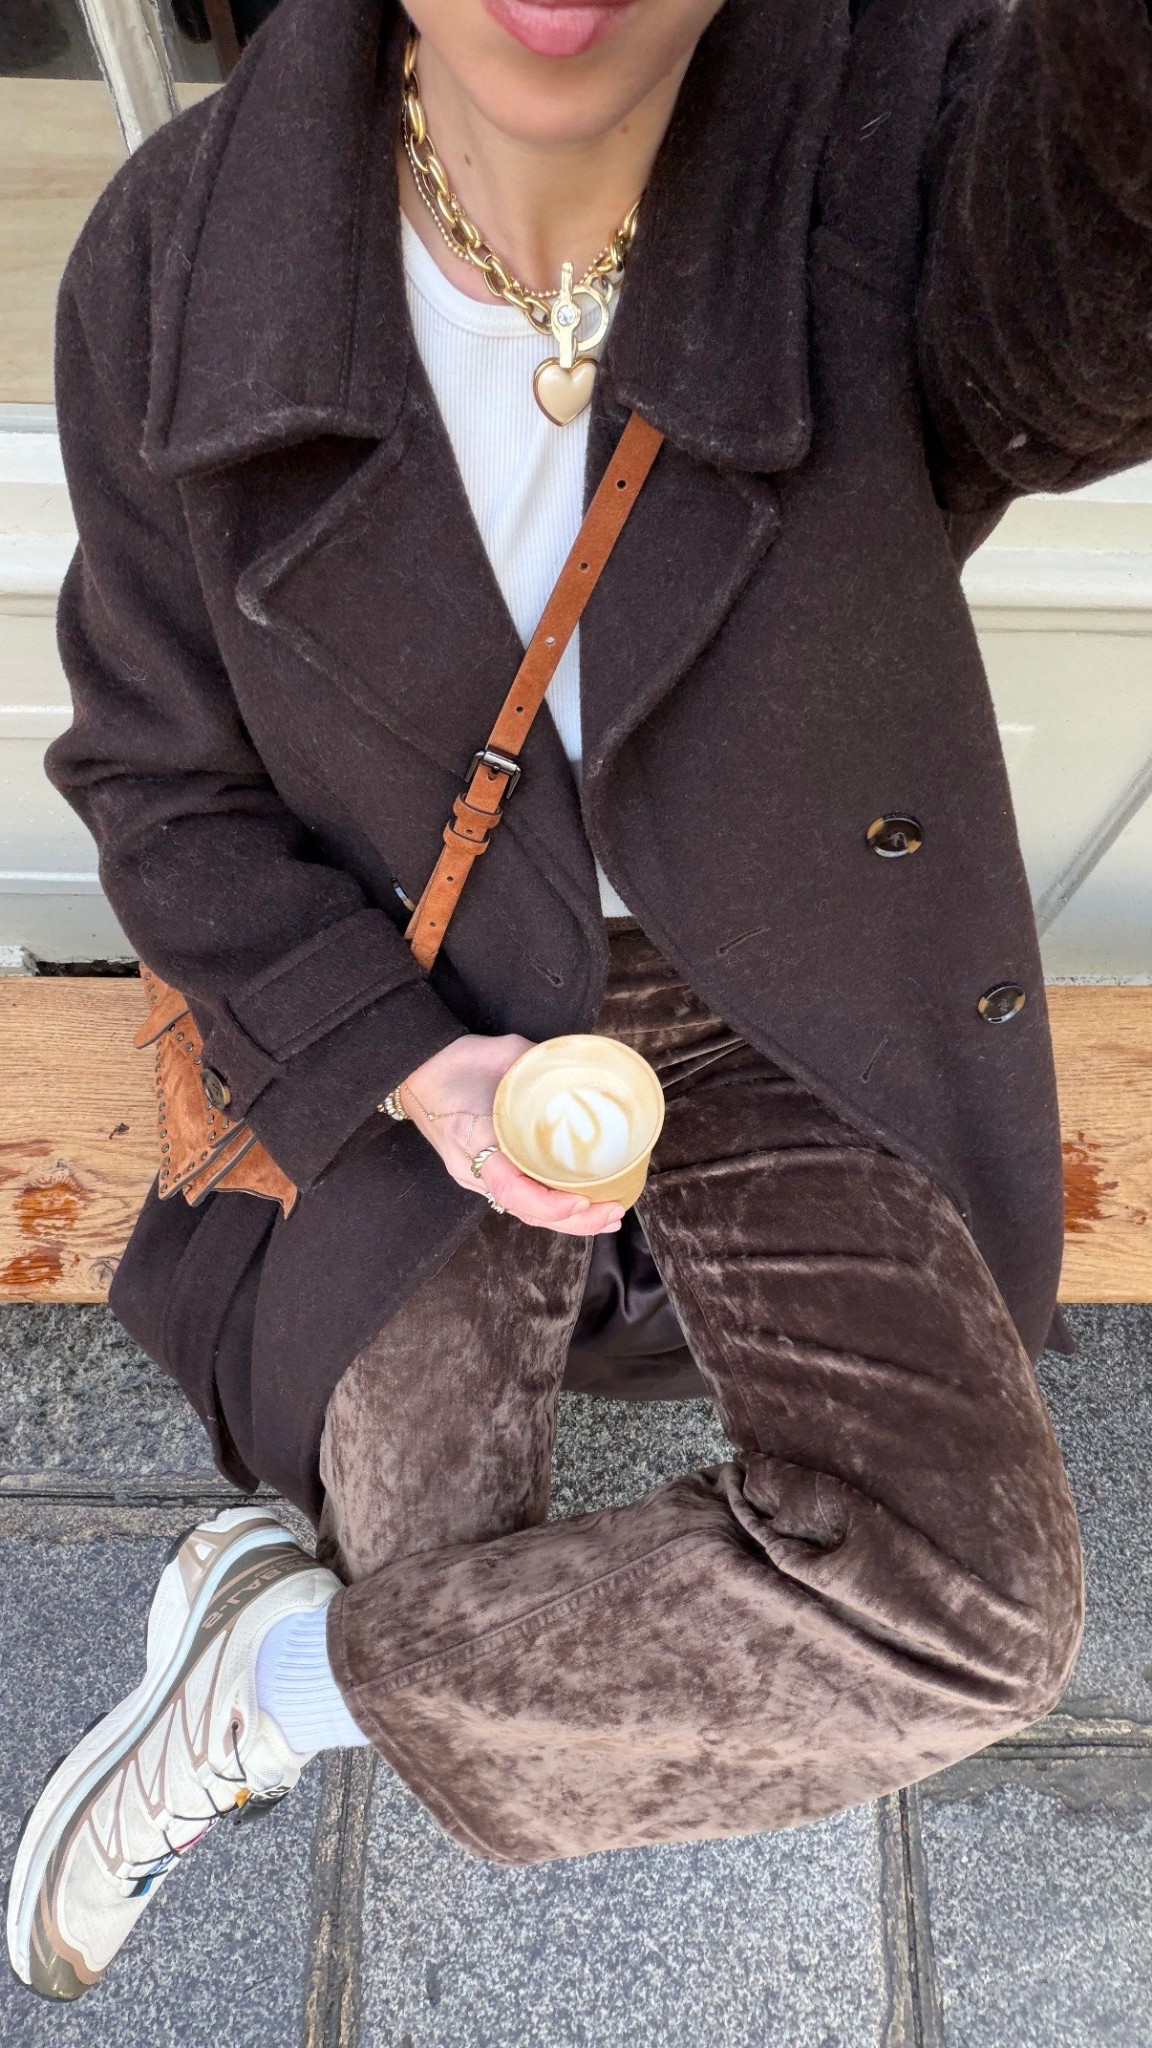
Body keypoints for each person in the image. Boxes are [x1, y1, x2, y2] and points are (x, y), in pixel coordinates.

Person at [8, 0, 1151, 2003]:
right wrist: (406, 1063)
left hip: (790, 982)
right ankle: (333, 1625)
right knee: (421, 1551)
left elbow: (1087, 321)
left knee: (967, 1615)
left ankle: (265, 1680)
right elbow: (159, 785)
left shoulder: (889, 130)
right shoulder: (188, 258)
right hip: (419, 981)